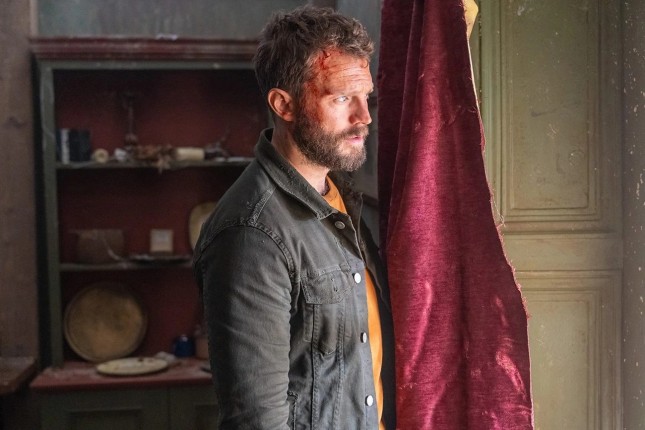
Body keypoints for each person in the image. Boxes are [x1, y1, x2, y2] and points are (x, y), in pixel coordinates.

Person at [193, 5, 395, 429]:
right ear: (284, 104)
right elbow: (257, 420)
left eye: (366, 97)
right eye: (342, 98)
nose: (364, 117)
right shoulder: (251, 232)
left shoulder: (340, 197)